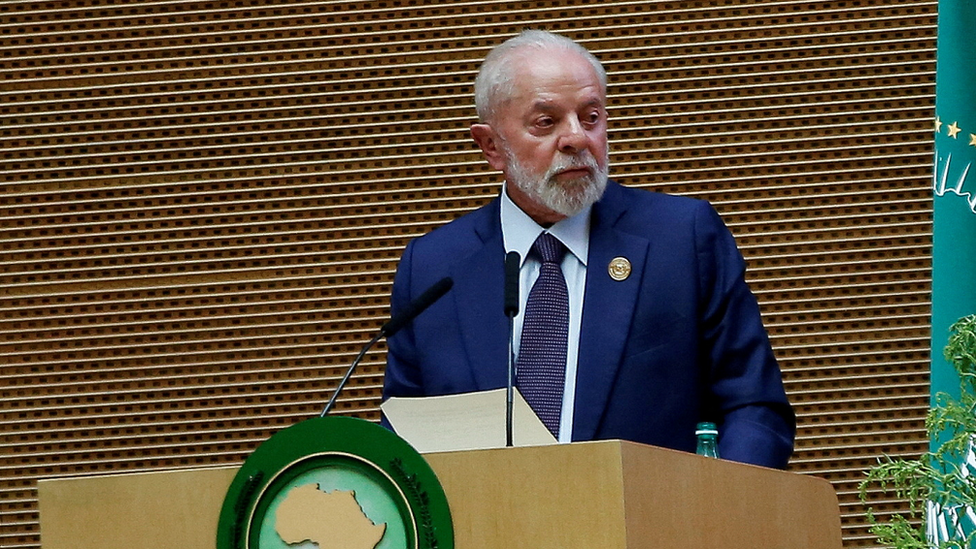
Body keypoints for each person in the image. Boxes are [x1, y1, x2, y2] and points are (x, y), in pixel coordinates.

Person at [381, 30, 795, 469]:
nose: (576, 138)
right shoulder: (433, 268)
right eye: (547, 122)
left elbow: (755, 409)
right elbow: (406, 436)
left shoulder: (682, 240)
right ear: (492, 146)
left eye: (591, 116)